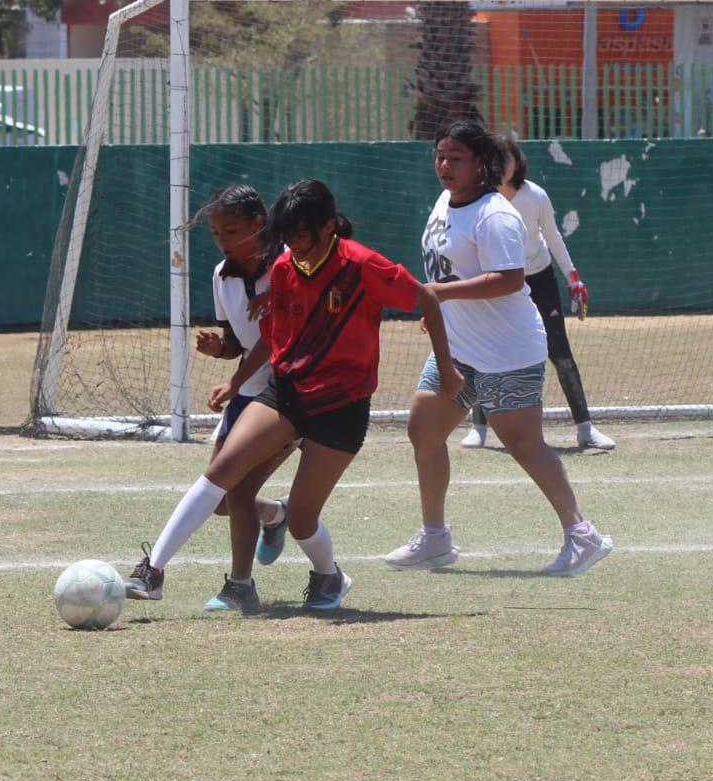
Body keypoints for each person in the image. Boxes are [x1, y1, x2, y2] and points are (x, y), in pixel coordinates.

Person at [125, 178, 461, 611]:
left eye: (300, 236)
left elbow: (427, 299)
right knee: (224, 471)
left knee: (303, 520)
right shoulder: (284, 271)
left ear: (327, 228)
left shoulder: (361, 265)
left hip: (341, 407)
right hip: (286, 394)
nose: (293, 247)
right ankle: (152, 570)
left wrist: (448, 369)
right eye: (287, 238)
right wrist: (237, 363)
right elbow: (275, 338)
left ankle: (329, 576)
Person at [386, 119, 613, 576]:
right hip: (460, 351)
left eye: (457, 158)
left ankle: (583, 537)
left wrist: (440, 296)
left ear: (481, 164)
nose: (445, 165)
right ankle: (434, 538)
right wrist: (441, 317)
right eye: (441, 155)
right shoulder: (445, 202)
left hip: (508, 351)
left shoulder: (495, 214)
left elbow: (509, 279)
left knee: (525, 446)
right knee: (424, 429)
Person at [125, 184, 295, 612]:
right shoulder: (222, 275)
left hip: (290, 398)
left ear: (260, 225)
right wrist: (221, 350)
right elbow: (240, 340)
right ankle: (275, 514)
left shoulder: (289, 268)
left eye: (232, 230)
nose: (223, 241)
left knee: (232, 490)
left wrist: (234, 381)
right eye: (217, 233)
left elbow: (276, 339)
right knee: (222, 500)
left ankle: (215, 581)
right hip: (249, 396)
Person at [461, 135, 614, 451]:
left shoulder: (536, 196)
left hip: (539, 278)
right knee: (483, 350)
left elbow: (554, 238)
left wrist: (574, 280)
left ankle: (585, 429)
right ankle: (479, 427)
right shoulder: (480, 199)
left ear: (518, 162)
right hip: (498, 279)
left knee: (559, 352)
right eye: (494, 158)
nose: (500, 164)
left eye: (507, 157)